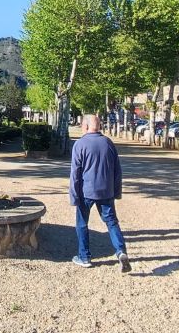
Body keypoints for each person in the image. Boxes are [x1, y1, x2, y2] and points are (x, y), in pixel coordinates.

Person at [69, 114, 131, 272]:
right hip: (106, 191)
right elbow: (117, 170)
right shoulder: (108, 143)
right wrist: (117, 191)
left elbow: (75, 174)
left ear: (85, 126)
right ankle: (121, 251)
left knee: (82, 224)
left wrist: (74, 196)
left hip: (86, 192)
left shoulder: (80, 144)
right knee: (112, 222)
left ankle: (84, 257)